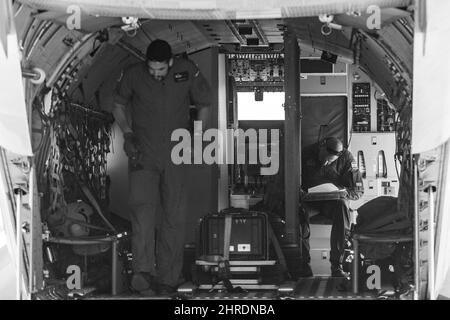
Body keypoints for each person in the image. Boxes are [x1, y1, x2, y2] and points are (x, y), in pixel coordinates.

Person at [113, 39, 211, 295]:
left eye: (161, 69)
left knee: (174, 216)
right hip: (143, 153)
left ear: (170, 62)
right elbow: (119, 104)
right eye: (152, 69)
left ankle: (169, 277)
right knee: (142, 212)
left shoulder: (187, 70)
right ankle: (143, 274)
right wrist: (127, 133)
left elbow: (203, 104)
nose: (156, 74)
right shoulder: (134, 75)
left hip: (175, 153)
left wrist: (198, 139)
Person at [300, 137, 364, 277]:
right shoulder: (305, 153)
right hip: (310, 203)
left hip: (332, 203)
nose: (325, 163)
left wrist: (343, 193)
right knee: (299, 212)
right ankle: (303, 264)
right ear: (321, 147)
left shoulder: (347, 158)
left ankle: (337, 266)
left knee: (343, 208)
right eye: (323, 159)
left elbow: (358, 190)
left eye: (330, 161)